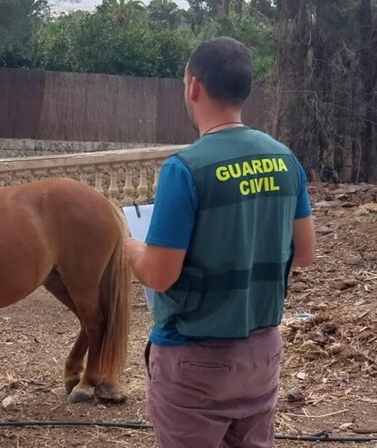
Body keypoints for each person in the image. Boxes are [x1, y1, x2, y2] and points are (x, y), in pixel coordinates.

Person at [123, 36, 316, 448]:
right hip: (261, 354)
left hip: (194, 359)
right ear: (245, 90)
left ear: (194, 86)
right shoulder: (286, 160)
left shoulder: (185, 169)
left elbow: (159, 274)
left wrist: (132, 250)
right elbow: (305, 253)